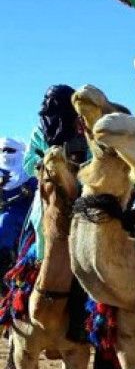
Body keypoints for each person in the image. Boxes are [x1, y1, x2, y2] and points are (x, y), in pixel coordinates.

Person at [22, 85, 89, 260]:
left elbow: (92, 158)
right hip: (49, 189)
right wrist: (46, 163)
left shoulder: (82, 128)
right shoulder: (39, 132)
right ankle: (43, 263)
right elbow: (28, 163)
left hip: (81, 190)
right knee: (41, 223)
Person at [0, 138, 37, 277]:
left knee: (5, 223)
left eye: (10, 150)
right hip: (5, 211)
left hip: (28, 215)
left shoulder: (28, 170)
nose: (5, 154)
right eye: (2, 150)